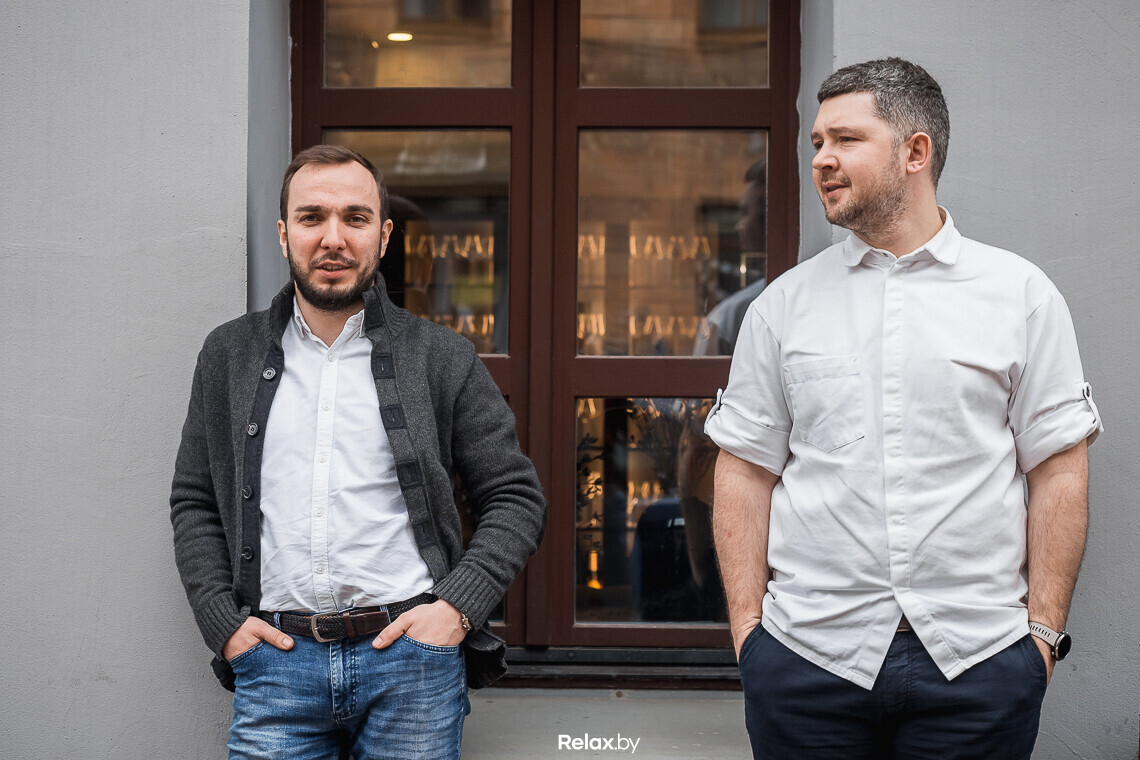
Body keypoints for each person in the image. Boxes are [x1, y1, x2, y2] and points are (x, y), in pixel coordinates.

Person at [705, 58, 1102, 759]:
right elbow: (744, 470)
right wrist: (750, 638)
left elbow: (1059, 470)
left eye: (845, 139)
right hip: (808, 662)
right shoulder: (784, 306)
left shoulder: (1020, 296)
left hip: (978, 662)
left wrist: (1040, 639)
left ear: (915, 152)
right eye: (817, 143)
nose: (821, 159)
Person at [169, 145, 546, 759]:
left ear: (384, 235)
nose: (333, 238)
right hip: (275, 668)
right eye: (312, 218)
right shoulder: (229, 355)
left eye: (355, 218)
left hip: (412, 665)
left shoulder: (441, 357)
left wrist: (456, 608)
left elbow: (515, 496)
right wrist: (223, 623)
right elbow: (195, 501)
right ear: (284, 234)